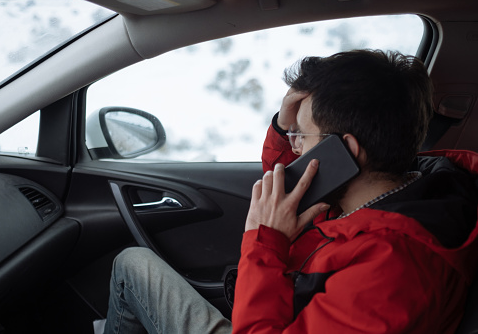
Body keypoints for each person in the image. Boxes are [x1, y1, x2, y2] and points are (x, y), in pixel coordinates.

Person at [104, 49, 478, 334]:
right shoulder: (399, 188)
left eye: (302, 135)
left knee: (129, 269)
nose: (294, 145)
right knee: (133, 264)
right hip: (281, 313)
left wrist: (265, 243)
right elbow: (294, 178)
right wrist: (287, 124)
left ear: (345, 152)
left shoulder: (392, 270)